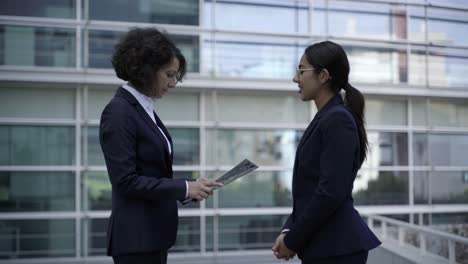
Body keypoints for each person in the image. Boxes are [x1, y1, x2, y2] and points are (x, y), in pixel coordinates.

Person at [99, 27, 222, 264]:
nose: (174, 83)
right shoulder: (119, 112)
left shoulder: (143, 109)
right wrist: (184, 188)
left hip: (152, 237)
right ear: (146, 70)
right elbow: (126, 181)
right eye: (169, 74)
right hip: (136, 240)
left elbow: (153, 172)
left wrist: (191, 187)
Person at [272, 41, 381, 264]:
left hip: (337, 248)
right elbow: (310, 190)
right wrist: (288, 231)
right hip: (326, 246)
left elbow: (330, 191)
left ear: (323, 75)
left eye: (302, 71)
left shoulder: (338, 119)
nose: (296, 78)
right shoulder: (327, 117)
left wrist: (293, 240)